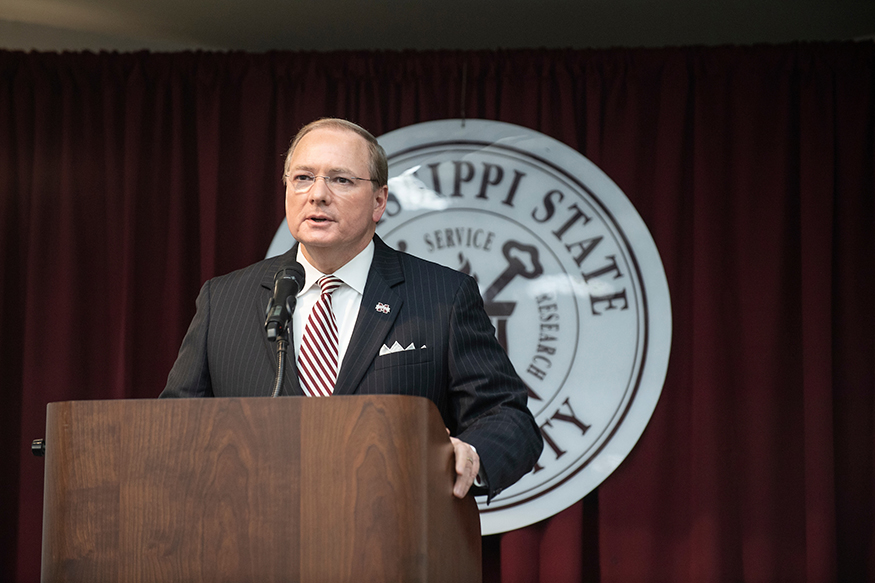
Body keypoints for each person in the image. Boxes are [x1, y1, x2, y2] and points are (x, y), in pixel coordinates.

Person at [161, 118, 543, 501]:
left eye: (340, 180)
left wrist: (470, 454)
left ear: (379, 201)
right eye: (303, 178)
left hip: (392, 536)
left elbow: (509, 418)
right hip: (254, 538)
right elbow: (173, 428)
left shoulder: (443, 296)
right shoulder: (224, 300)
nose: (317, 195)